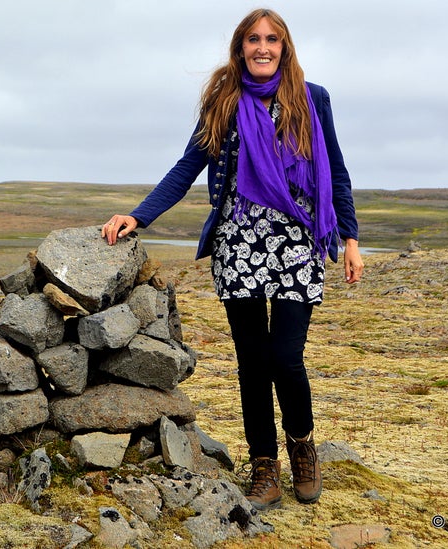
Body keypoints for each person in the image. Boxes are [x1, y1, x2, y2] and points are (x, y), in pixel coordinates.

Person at [101, 8, 363, 509]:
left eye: (273, 40)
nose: (263, 48)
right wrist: (139, 216)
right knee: (251, 361)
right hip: (238, 245)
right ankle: (264, 466)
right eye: (253, 39)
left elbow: (337, 168)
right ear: (240, 47)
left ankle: (302, 447)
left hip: (297, 242)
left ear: (285, 48)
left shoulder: (313, 99)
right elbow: (188, 166)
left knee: (286, 357)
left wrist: (349, 238)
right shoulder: (224, 99)